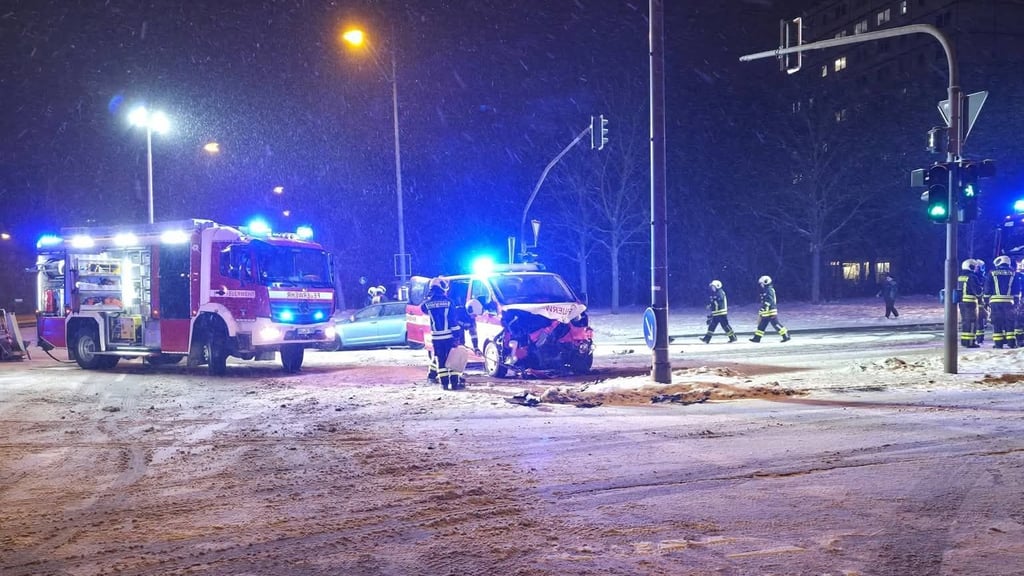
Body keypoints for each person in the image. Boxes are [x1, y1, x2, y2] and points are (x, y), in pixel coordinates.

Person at [420, 277, 459, 389]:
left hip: (436, 337)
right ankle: (455, 383)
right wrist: (457, 336)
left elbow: (422, 308)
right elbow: (453, 321)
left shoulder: (427, 304)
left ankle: (444, 384)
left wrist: (430, 297)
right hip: (449, 336)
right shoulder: (449, 302)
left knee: (440, 360)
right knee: (452, 359)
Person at [984, 255, 1021, 349]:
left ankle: (998, 344)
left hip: (995, 302)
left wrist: (986, 301)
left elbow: (987, 288)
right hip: (1009, 302)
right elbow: (1016, 289)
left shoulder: (992, 273)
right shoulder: (1013, 273)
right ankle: (1011, 343)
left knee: (997, 322)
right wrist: (1016, 301)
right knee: (1009, 322)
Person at [750, 275, 790, 343]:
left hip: (770, 311)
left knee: (776, 324)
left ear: (765, 282)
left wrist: (764, 307)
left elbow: (769, 300)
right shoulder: (767, 289)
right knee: (762, 325)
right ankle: (757, 338)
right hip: (767, 311)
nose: (761, 285)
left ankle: (786, 335)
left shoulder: (769, 290)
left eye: (762, 283)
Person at [957, 259, 982, 348]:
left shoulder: (960, 276)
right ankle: (971, 342)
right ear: (970, 266)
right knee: (972, 322)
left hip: (962, 303)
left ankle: (964, 341)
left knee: (965, 322)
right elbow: (978, 291)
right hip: (971, 303)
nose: (976, 269)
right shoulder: (972, 276)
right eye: (975, 267)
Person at [974, 259, 989, 344]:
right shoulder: (980, 277)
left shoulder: (979, 277)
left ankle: (979, 338)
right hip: (979, 302)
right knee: (980, 321)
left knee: (980, 321)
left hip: (979, 302)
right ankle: (979, 338)